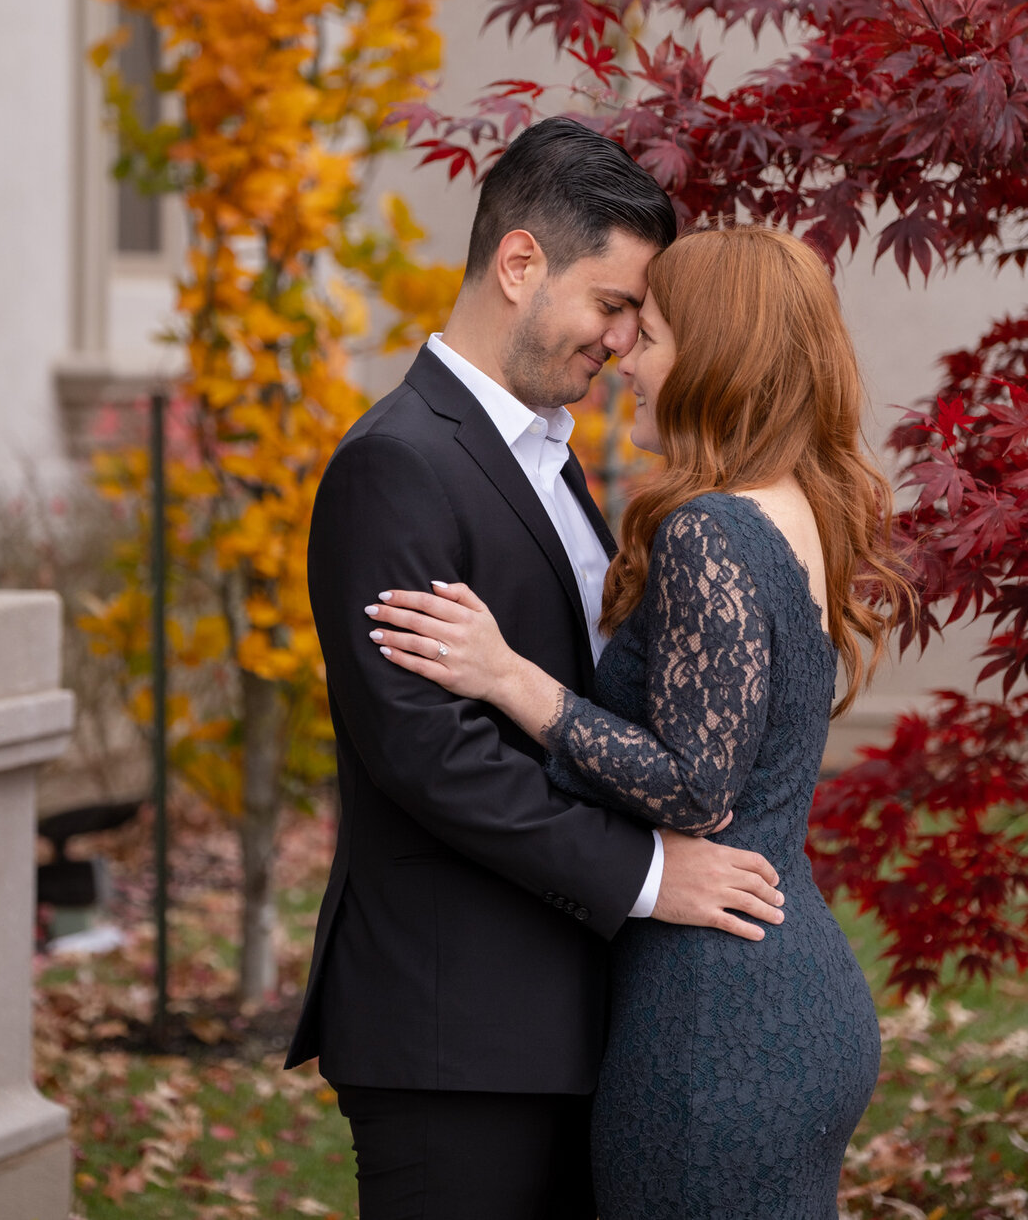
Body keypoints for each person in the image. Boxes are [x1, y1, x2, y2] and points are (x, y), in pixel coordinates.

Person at [284, 120, 787, 1220]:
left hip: (566, 1016)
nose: (621, 341)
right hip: (453, 1031)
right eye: (613, 305)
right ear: (521, 266)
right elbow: (431, 756)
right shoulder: (396, 465)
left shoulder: (550, 462)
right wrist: (653, 875)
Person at [366, 224, 915, 1219]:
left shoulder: (712, 529)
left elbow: (697, 787)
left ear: (714, 353)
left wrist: (509, 679)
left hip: (717, 1017)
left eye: (650, 334)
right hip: (791, 985)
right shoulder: (801, 506)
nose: (627, 358)